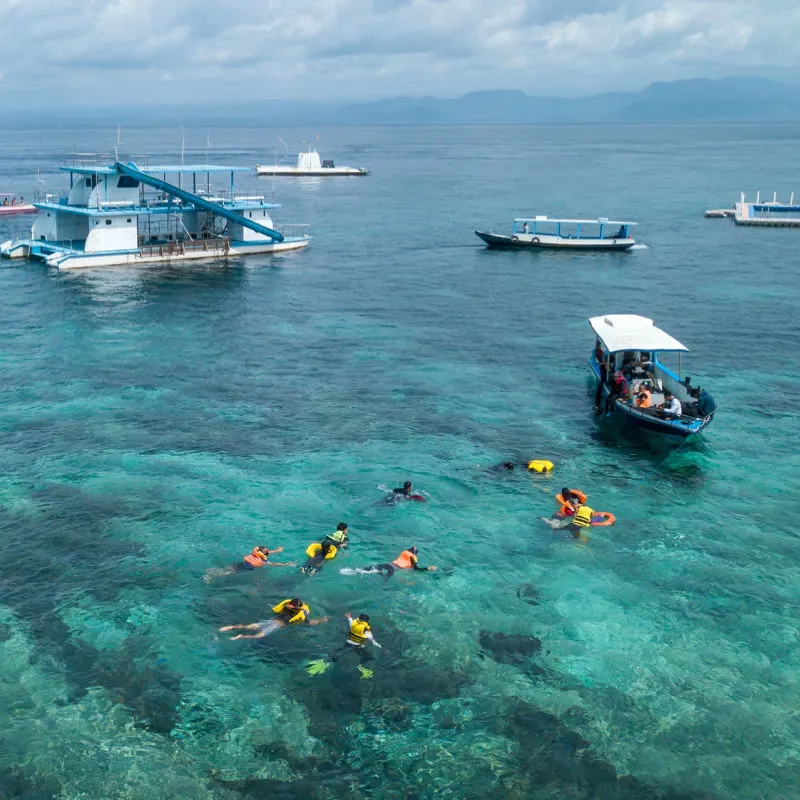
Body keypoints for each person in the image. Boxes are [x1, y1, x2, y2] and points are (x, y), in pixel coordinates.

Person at [307, 612, 382, 679]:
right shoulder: (367, 632)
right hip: (358, 647)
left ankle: (325, 661)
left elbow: (350, 621)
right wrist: (377, 644)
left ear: (359, 619)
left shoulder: (353, 624)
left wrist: (349, 617)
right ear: (366, 622)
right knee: (368, 657)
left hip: (348, 644)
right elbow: (371, 640)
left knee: (338, 653)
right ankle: (360, 666)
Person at [219, 598, 328, 639]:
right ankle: (241, 636)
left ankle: (232, 627)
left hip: (271, 621)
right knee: (257, 636)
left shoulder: (286, 606)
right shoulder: (300, 614)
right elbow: (309, 622)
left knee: (249, 626)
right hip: (275, 626)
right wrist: (321, 620)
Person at [204, 546, 294, 582]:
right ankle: (211, 576)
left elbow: (267, 552)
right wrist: (286, 565)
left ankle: (211, 571)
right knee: (230, 572)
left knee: (229, 568)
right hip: (246, 567)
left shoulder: (255, 553)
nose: (268, 552)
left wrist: (277, 550)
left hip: (241, 563)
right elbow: (274, 564)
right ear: (264, 553)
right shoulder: (263, 560)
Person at [339, 546, 437, 579]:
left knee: (367, 569)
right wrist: (428, 568)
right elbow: (417, 570)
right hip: (392, 569)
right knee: (385, 581)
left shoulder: (405, 553)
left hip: (387, 564)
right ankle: (379, 574)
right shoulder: (413, 558)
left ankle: (349, 571)